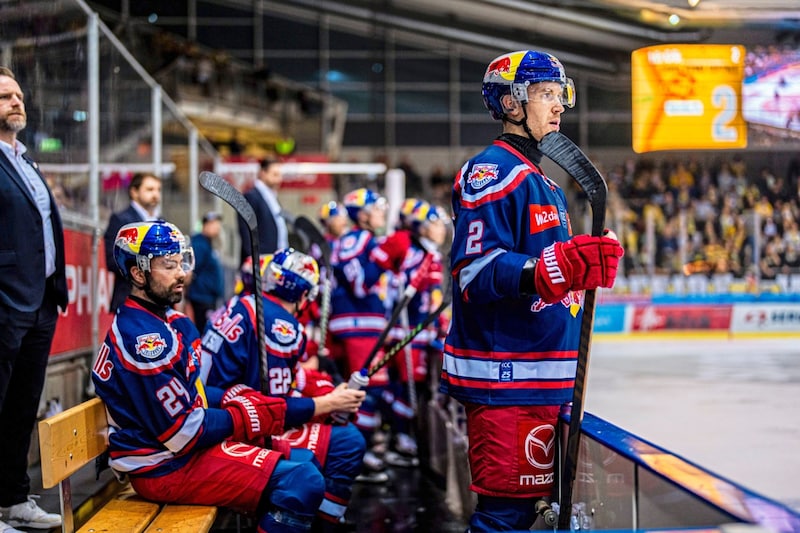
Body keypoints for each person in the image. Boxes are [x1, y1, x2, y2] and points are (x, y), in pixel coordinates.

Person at [438, 50, 624, 532]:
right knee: (506, 519)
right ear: (512, 104)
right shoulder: (493, 171)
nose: (559, 105)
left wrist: (583, 267)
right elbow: (475, 274)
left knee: (530, 516)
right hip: (508, 380)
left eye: (561, 94)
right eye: (545, 94)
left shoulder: (541, 179)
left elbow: (549, 277)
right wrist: (561, 264)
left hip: (536, 377)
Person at [93, 221, 325, 533]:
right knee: (303, 481)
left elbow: (194, 395)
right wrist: (244, 416)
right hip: (164, 467)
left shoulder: (169, 322)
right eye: (168, 265)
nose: (181, 274)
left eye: (182, 262)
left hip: (179, 456)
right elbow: (182, 433)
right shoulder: (145, 340)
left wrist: (231, 397)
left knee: (305, 461)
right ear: (138, 273)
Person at [201, 249, 368, 531]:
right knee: (348, 442)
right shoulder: (280, 325)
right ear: (303, 293)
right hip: (228, 430)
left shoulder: (245, 304)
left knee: (333, 435)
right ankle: (324, 525)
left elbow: (284, 381)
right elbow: (276, 411)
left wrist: (324, 391)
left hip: (216, 415)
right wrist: (327, 403)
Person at [0, 66, 67, 533]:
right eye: (5, 96)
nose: (16, 102)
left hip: (40, 303)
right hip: (5, 303)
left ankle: (12, 498)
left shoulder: (26, 161)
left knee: (22, 407)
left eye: (19, 95)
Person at [327, 188, 412, 481]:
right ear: (361, 213)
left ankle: (362, 449)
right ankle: (356, 456)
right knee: (366, 392)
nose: (382, 212)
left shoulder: (365, 239)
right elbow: (360, 284)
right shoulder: (355, 238)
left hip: (366, 324)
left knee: (372, 391)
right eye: (377, 207)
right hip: (356, 324)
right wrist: (384, 257)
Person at [103, 172, 162, 312]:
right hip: (129, 300)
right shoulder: (120, 220)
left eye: (158, 190)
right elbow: (113, 260)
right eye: (149, 189)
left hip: (159, 303)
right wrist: (153, 266)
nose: (156, 194)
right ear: (134, 192)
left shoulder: (162, 223)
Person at [239, 158, 289, 265]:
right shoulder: (252, 196)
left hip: (274, 261)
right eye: (275, 175)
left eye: (280, 175)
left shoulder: (272, 198)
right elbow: (246, 232)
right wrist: (254, 261)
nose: (279, 179)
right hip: (261, 263)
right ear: (263, 173)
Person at [186, 211, 225, 332]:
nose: (217, 227)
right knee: (203, 331)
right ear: (205, 225)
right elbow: (190, 270)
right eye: (214, 224)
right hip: (201, 299)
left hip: (208, 298)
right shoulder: (199, 244)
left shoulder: (208, 243)